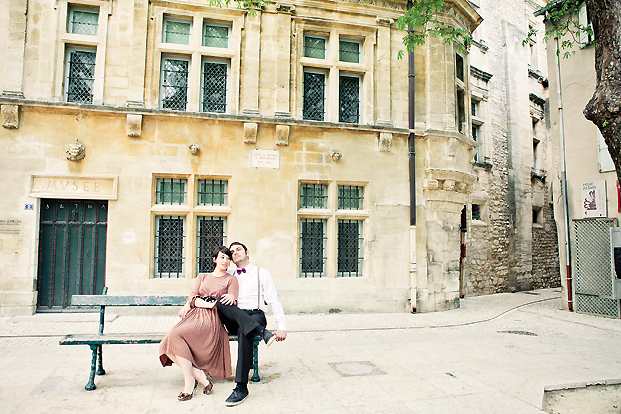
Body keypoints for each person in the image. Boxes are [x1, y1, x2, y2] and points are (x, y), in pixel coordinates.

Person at [159, 246, 238, 401]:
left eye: (228, 258)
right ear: (215, 259)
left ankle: (189, 383)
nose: (225, 261)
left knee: (174, 336)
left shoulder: (231, 279)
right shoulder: (202, 277)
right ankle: (199, 376)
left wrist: (211, 303)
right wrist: (201, 303)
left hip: (213, 319)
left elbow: (231, 300)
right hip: (195, 315)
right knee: (167, 344)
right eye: (222, 257)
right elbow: (192, 296)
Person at [217, 241, 287, 407]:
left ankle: (241, 387)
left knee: (245, 329)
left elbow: (273, 300)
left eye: (238, 249)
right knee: (221, 302)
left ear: (247, 252)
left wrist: (282, 327)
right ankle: (262, 332)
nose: (235, 253)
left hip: (255, 314)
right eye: (232, 252)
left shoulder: (261, 273)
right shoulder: (229, 274)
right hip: (235, 316)